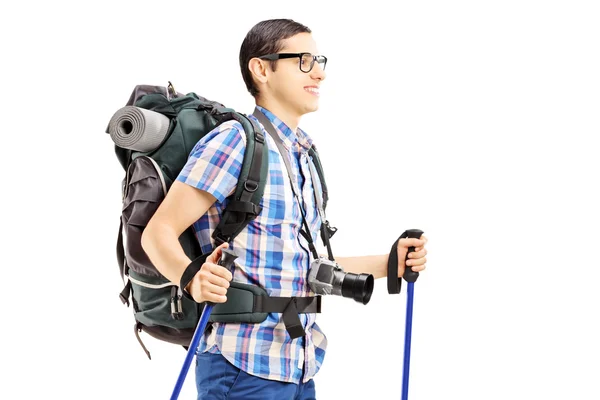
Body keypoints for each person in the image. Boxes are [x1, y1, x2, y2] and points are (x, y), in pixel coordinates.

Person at [141, 18, 428, 400]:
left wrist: (391, 261)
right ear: (261, 69)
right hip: (241, 369)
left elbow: (306, 266)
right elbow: (157, 233)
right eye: (303, 61)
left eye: (319, 61)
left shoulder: (303, 153)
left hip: (298, 364)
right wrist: (191, 278)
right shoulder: (234, 141)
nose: (320, 74)